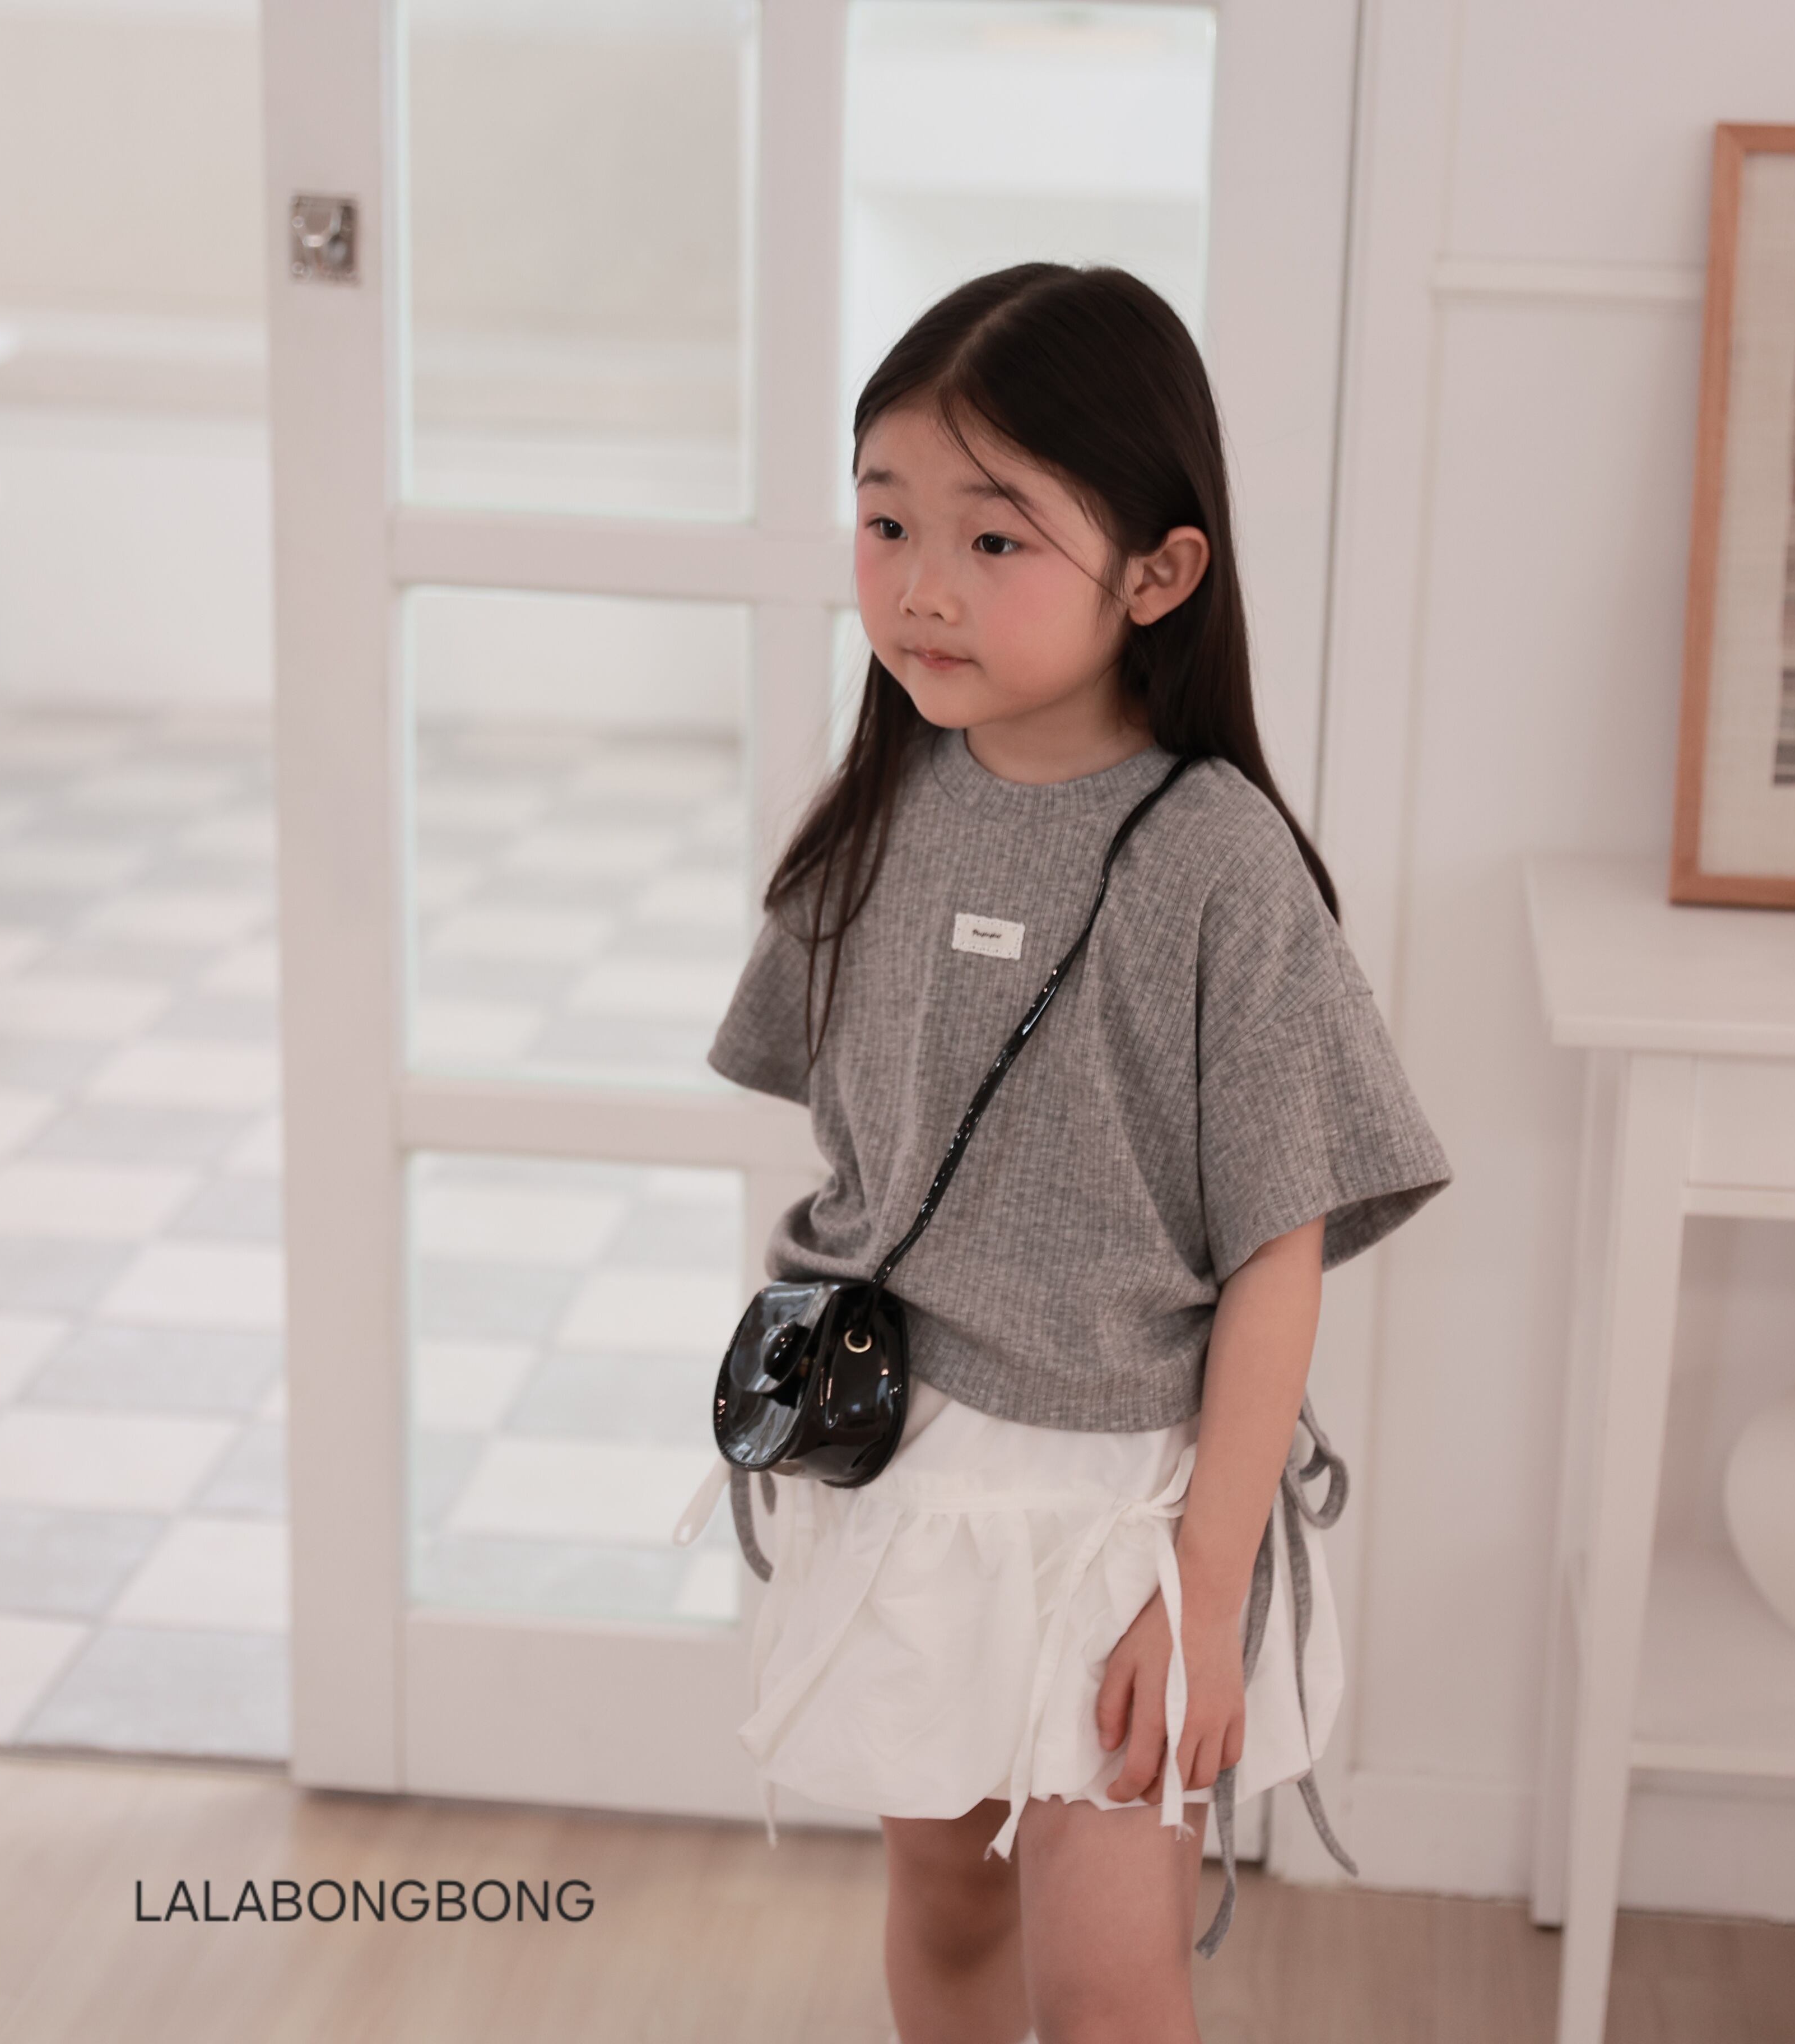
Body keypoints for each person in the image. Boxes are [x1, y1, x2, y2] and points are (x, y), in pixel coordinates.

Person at [681, 263, 1450, 2044]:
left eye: (995, 538)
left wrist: (1205, 1586)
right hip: (904, 1472)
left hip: (1125, 1516)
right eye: (886, 521)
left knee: (1109, 1991)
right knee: (948, 1905)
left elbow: (1280, 1252)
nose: (923, 585)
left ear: (1159, 574)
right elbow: (855, 1152)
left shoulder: (1219, 864)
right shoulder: (877, 817)